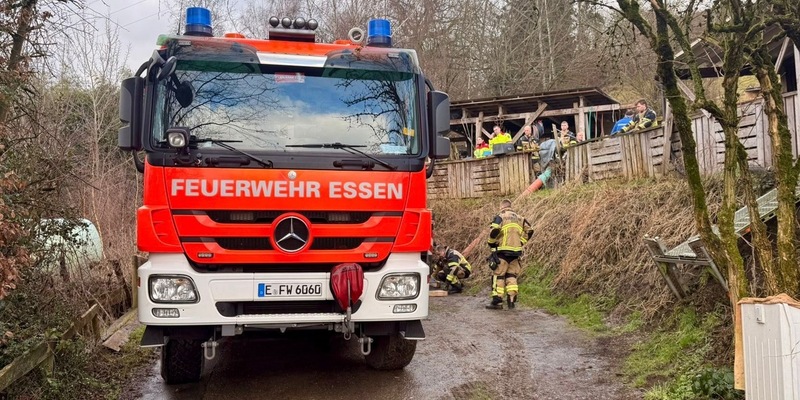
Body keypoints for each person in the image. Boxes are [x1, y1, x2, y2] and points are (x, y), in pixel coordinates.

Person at [486, 199, 533, 310]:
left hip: (502, 251)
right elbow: (530, 230)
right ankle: (511, 301)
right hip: (515, 252)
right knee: (511, 275)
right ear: (510, 207)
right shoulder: (520, 218)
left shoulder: (500, 217)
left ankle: (497, 301)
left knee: (498, 275)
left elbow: (494, 231)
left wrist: (491, 243)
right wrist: (521, 242)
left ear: (502, 207)